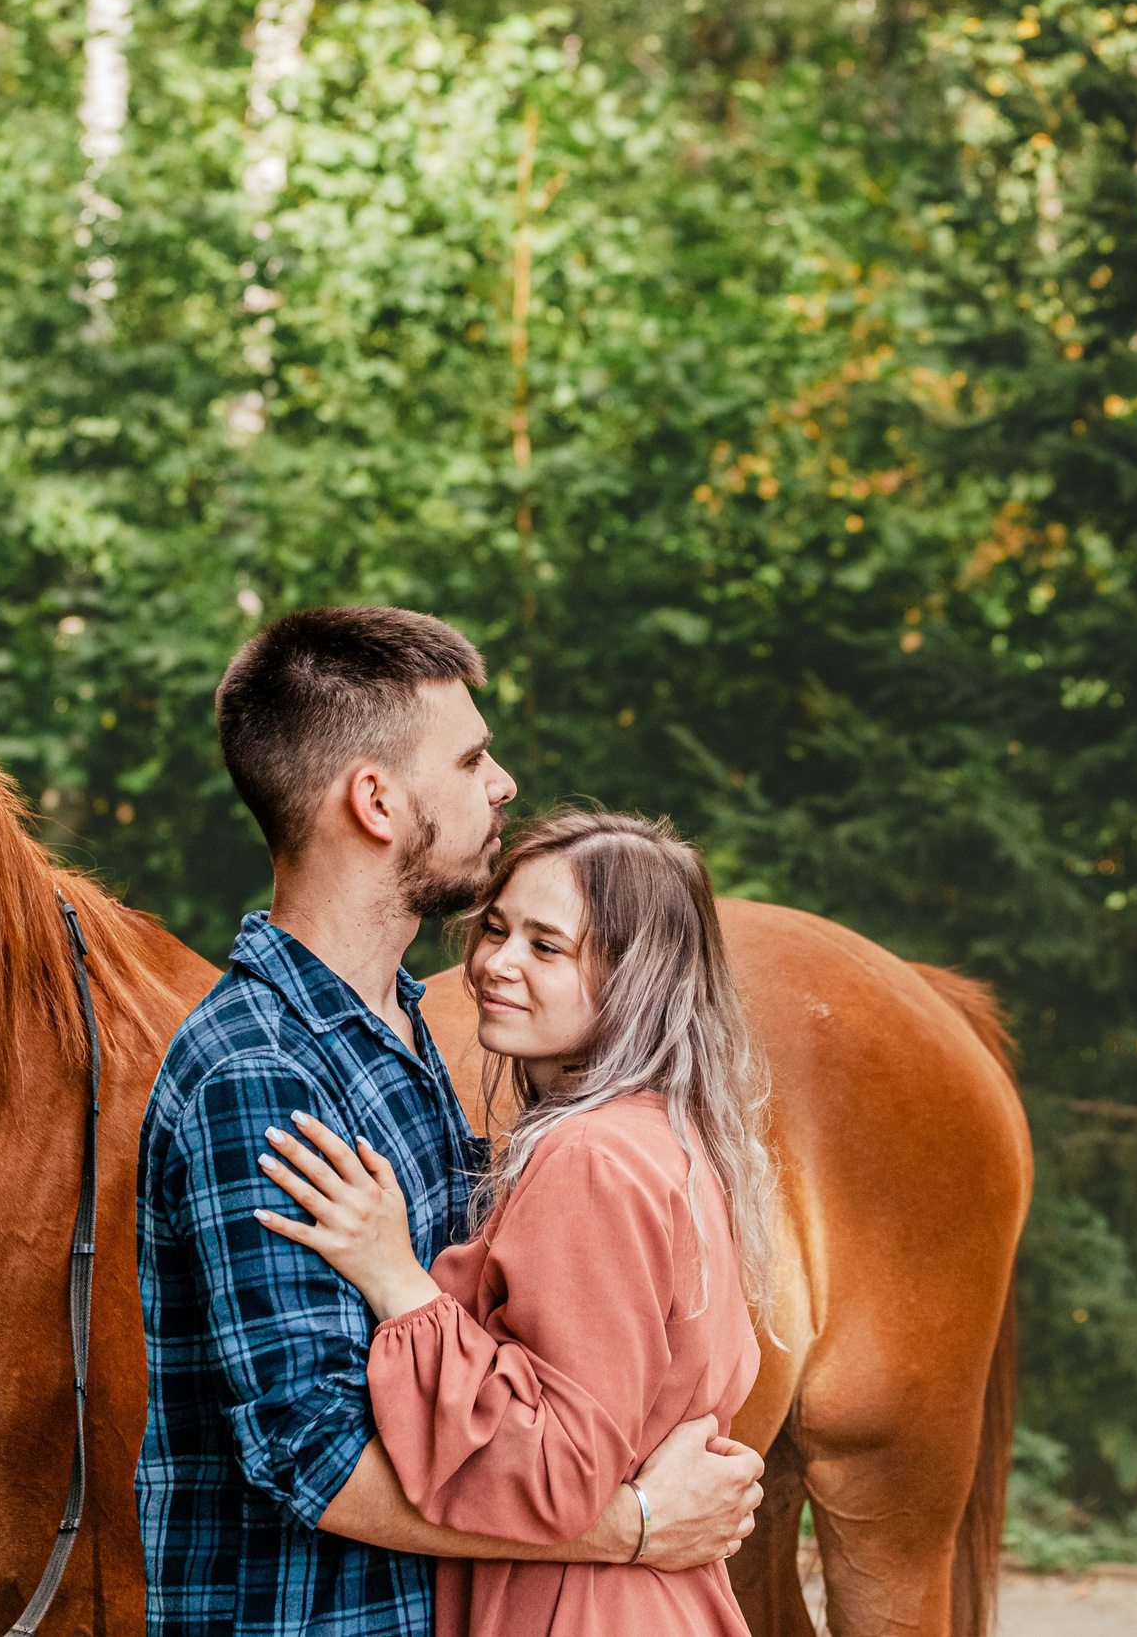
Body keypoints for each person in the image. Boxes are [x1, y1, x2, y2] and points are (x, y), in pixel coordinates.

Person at [136, 608, 765, 1637]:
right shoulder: (260, 1072)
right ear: (376, 801)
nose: (502, 782)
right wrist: (634, 1527)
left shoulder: (405, 1028)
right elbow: (314, 1458)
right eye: (470, 757)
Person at [257, 810, 773, 1637]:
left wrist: (397, 1279)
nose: (494, 964)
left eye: (546, 945)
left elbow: (559, 1466)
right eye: (495, 929)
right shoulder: (661, 1137)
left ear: (635, 976)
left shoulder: (592, 1158)